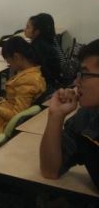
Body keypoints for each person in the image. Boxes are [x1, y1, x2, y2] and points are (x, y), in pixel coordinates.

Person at [40, 38, 99, 189]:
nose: (76, 83)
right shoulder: (86, 119)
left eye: (84, 75)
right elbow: (50, 171)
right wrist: (56, 116)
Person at [25, 13, 62, 89]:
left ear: (37, 31)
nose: (24, 30)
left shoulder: (38, 46)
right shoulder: (49, 41)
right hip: (55, 81)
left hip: (47, 85)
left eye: (28, 27)